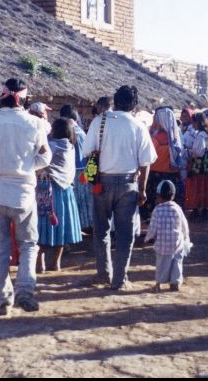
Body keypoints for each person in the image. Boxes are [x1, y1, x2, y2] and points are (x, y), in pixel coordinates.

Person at [0, 78, 52, 315]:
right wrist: (26, 165)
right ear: (25, 99)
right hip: (24, 195)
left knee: (0, 249)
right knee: (28, 245)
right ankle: (25, 293)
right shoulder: (35, 124)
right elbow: (46, 158)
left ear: (2, 96)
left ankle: (3, 298)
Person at [83, 85, 157, 290]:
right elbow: (146, 161)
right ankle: (119, 279)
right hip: (128, 183)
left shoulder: (100, 121)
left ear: (115, 101)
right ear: (134, 105)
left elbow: (88, 152)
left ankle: (103, 274)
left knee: (101, 231)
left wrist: (94, 177)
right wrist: (142, 190)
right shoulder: (138, 125)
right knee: (125, 234)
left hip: (102, 182)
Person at [37, 118, 82, 272]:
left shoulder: (52, 146)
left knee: (41, 226)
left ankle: (39, 262)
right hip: (65, 191)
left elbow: (38, 160)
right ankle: (56, 263)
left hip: (46, 189)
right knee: (62, 227)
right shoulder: (71, 147)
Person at [145, 180, 192, 293]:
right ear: (173, 195)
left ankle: (158, 284)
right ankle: (175, 282)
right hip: (177, 243)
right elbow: (184, 225)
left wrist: (147, 238)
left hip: (162, 244)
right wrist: (186, 237)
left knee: (161, 264)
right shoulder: (177, 208)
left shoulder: (157, 210)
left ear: (158, 196)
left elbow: (153, 228)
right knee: (177, 262)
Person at [143, 107, 185, 218]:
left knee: (155, 205)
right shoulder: (176, 135)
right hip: (172, 174)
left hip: (156, 174)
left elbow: (147, 155)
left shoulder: (155, 137)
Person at [60, 105, 93, 232]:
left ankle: (75, 226)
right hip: (84, 169)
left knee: (73, 199)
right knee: (84, 198)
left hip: (70, 170)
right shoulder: (82, 132)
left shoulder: (65, 130)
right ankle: (86, 224)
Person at [185, 112, 208, 219]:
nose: (192, 124)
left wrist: (190, 152)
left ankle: (196, 209)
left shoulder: (200, 136)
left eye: (193, 122)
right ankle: (204, 209)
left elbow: (198, 152)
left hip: (198, 165)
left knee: (196, 187)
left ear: (197, 122)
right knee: (205, 186)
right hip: (206, 165)